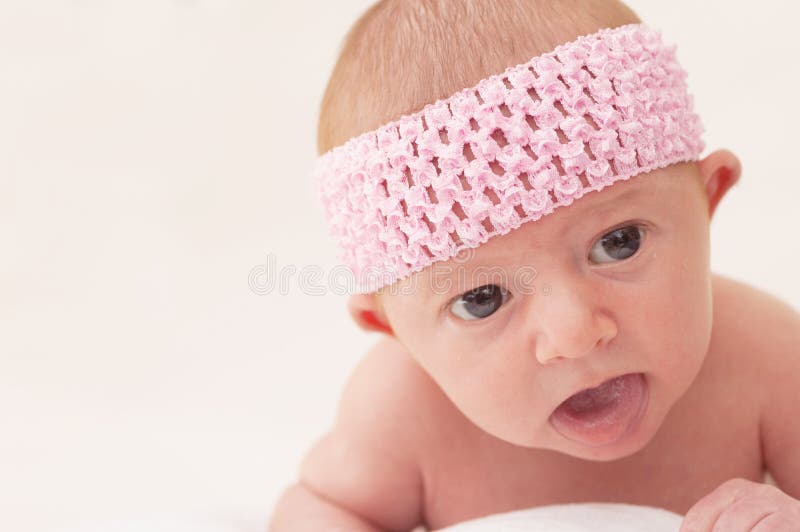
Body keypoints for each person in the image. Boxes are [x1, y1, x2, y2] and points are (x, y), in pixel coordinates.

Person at [269, 1, 800, 530]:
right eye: (482, 299)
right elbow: (320, 507)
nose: (573, 334)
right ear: (394, 331)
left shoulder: (766, 357)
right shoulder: (400, 412)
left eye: (618, 243)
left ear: (707, 202)